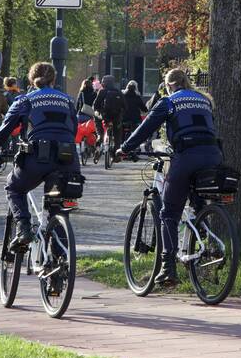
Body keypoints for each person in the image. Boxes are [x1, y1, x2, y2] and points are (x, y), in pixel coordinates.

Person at [117, 69, 222, 285]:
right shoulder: (204, 100)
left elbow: (146, 128)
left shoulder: (169, 102)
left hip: (187, 156)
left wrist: (125, 148)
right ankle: (202, 240)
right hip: (213, 156)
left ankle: (168, 268)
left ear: (169, 85)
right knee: (197, 203)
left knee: (169, 213)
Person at [0, 62, 79, 248]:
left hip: (37, 159)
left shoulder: (25, 100)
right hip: (67, 159)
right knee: (58, 208)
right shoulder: (68, 101)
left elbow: (4, 130)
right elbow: (73, 131)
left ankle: (24, 228)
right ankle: (61, 264)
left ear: (31, 80)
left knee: (14, 188)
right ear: (54, 79)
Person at [93, 74, 126, 149]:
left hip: (104, 116)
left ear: (104, 83)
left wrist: (97, 111)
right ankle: (117, 150)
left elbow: (95, 105)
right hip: (116, 117)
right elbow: (125, 106)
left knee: (96, 117)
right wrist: (121, 114)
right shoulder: (119, 92)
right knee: (117, 132)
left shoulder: (102, 92)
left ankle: (100, 135)